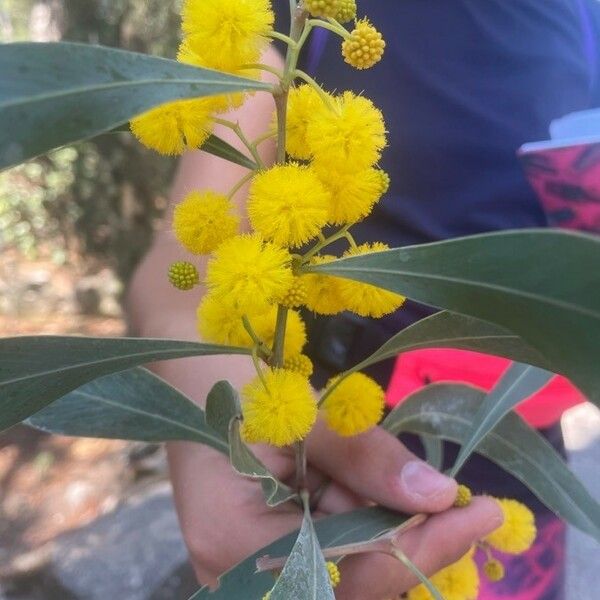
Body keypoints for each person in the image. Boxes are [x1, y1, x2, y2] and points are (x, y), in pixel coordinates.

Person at [127, 1, 600, 598]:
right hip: (325, 472)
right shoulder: (294, 15)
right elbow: (183, 259)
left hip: (522, 451)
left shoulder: (582, 15)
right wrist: (210, 405)